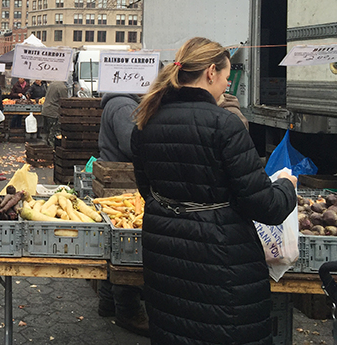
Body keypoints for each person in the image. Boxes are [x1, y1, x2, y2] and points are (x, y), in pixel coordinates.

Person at [131, 37, 297, 344]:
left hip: (165, 254)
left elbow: (147, 191)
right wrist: (288, 185)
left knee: (175, 332)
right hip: (221, 262)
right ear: (210, 72)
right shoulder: (224, 124)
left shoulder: (146, 119)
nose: (226, 83)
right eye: (226, 75)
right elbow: (265, 206)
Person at [96, 93, 148, 336]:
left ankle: (107, 302)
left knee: (113, 247)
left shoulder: (120, 104)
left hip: (117, 179)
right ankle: (128, 311)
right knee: (127, 249)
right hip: (122, 181)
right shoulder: (125, 106)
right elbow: (131, 144)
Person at [40, 80, 68, 147]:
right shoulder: (62, 87)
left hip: (46, 110)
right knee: (53, 134)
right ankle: (51, 151)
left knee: (47, 133)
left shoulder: (53, 84)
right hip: (53, 112)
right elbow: (65, 101)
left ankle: (46, 150)